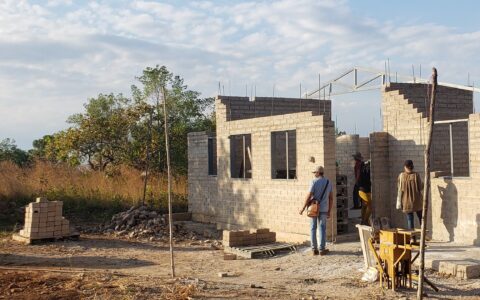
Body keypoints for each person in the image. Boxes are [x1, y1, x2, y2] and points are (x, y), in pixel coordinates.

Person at [300, 166, 333, 256]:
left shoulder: (313, 182)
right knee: (322, 228)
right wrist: (329, 211)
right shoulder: (328, 182)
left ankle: (314, 249)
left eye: (315, 172)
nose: (314, 174)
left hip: (314, 208)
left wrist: (303, 208)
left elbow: (309, 195)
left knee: (313, 228)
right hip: (324, 209)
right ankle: (322, 249)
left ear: (318, 173)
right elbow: (331, 198)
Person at [396, 160, 424, 230]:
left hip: (406, 202)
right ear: (412, 166)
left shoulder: (401, 176)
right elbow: (420, 187)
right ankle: (423, 235)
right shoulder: (416, 175)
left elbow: (399, 189)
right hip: (417, 201)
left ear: (405, 167)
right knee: (421, 218)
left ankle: (412, 238)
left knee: (410, 219)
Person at [358, 160, 372, 225]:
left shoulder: (363, 171)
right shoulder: (365, 172)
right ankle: (365, 220)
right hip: (364, 191)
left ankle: (363, 220)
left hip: (363, 191)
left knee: (364, 206)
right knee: (369, 206)